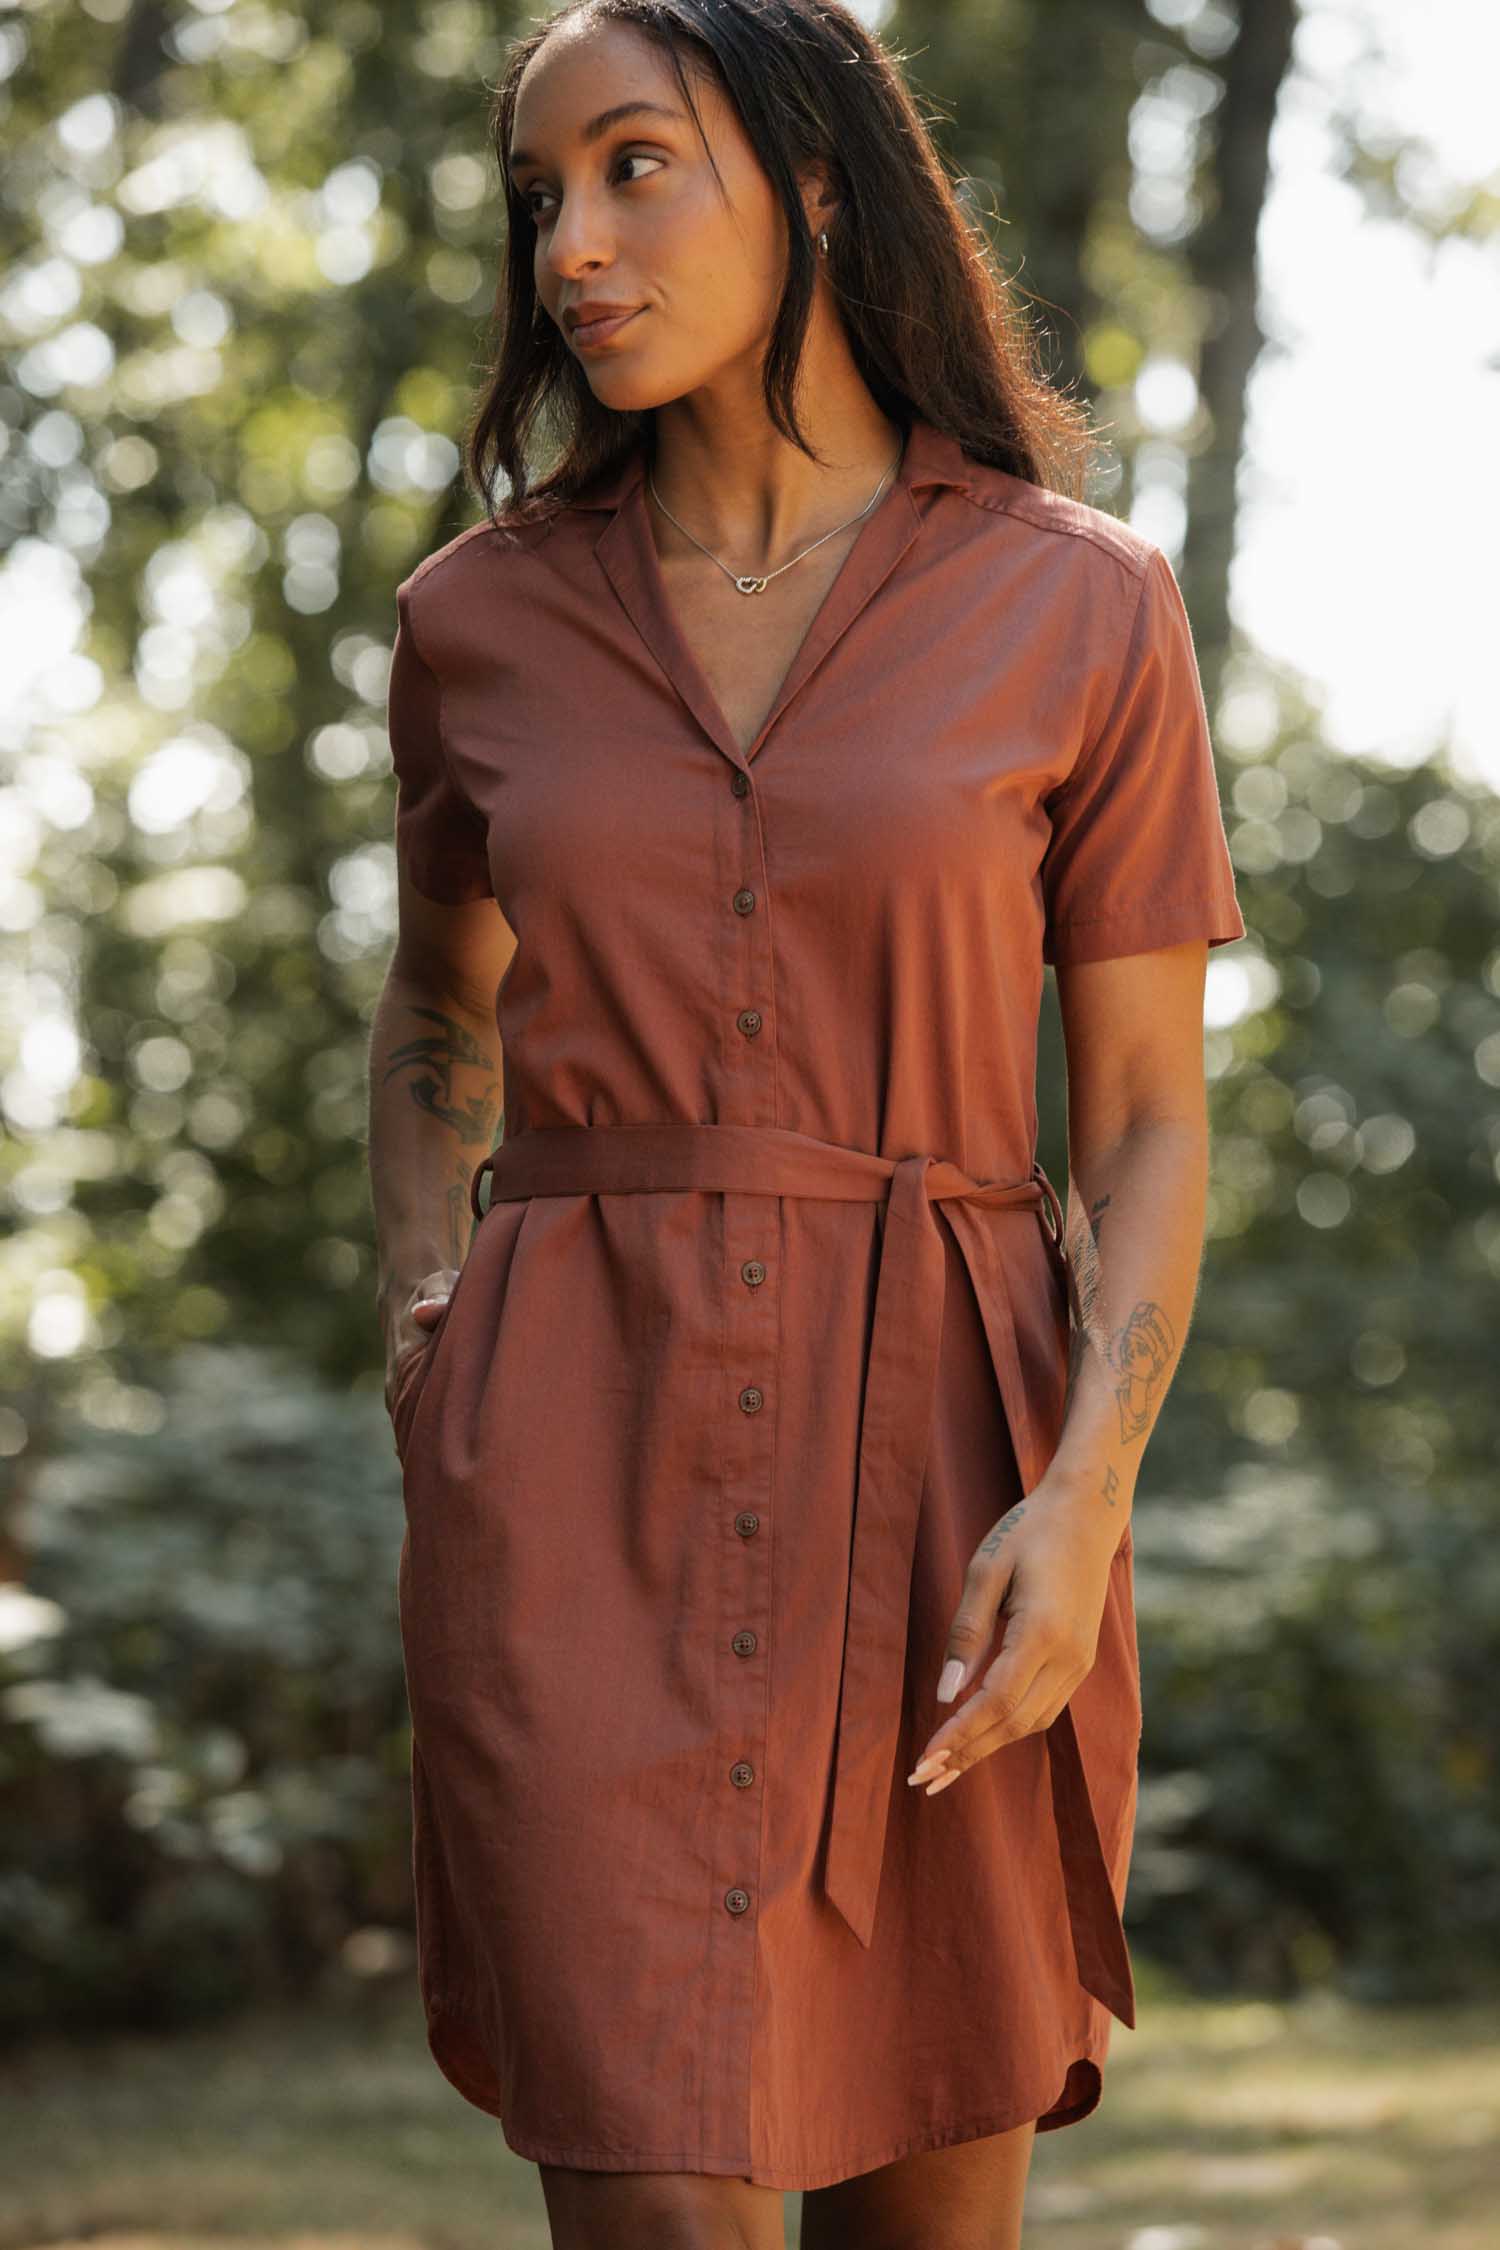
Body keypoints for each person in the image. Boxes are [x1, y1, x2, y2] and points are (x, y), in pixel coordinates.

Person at [366, 2, 1246, 2244]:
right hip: (573, 1457)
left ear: (820, 177)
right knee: (652, 2195)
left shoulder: (1080, 604)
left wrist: (1085, 1492)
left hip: (952, 1455)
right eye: (541, 192)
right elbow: (434, 1005)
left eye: (637, 166)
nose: (573, 241)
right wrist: (428, 1311)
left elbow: (1145, 1116)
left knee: (926, 2206)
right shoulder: (477, 622)